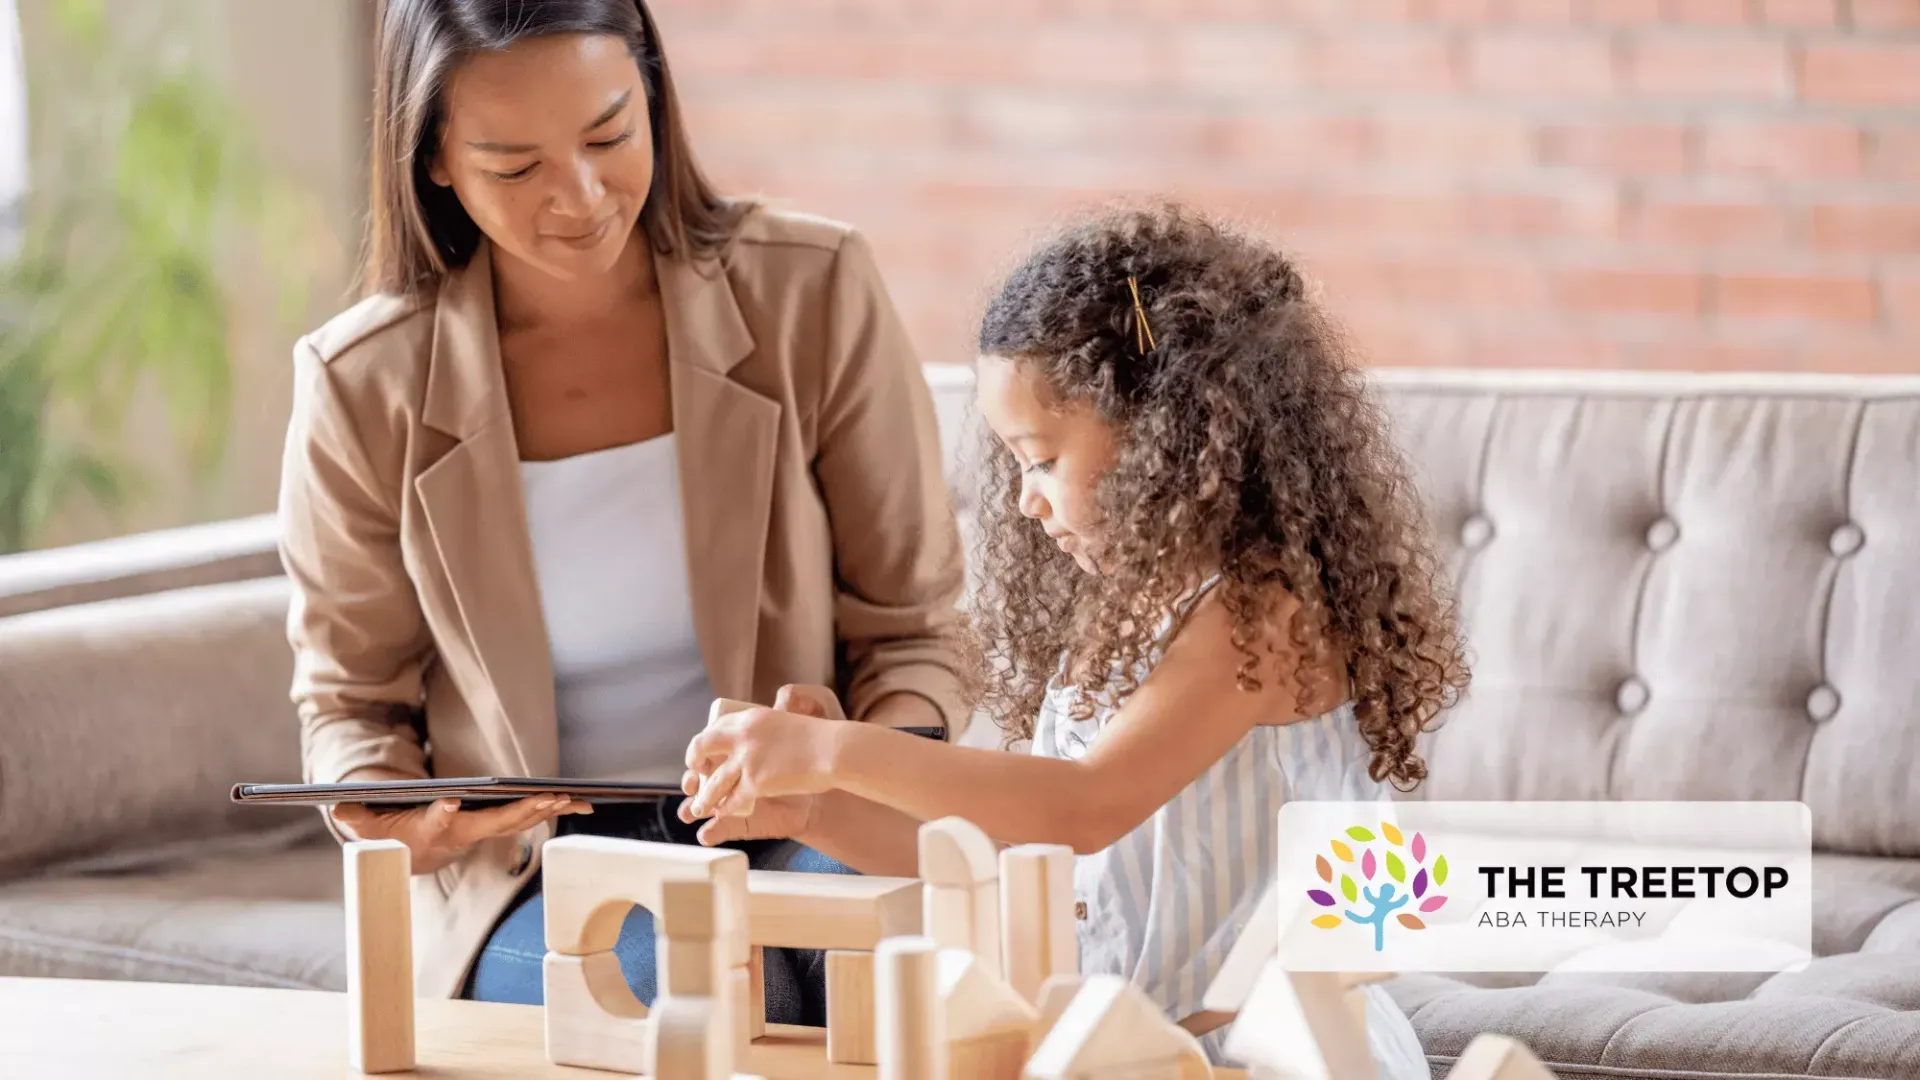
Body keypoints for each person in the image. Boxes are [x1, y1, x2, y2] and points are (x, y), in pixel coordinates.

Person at [276, 0, 967, 1019]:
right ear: (432, 160)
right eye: (516, 167)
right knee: (717, 992)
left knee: (892, 969)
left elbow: (915, 633)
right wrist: (390, 815)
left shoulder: (810, 291)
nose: (584, 196)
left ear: (652, 94)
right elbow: (351, 704)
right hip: (538, 868)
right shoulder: (361, 383)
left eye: (609, 134)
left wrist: (852, 754)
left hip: (806, 816)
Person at [673, 203, 1470, 1072]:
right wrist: (818, 809)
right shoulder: (1123, 617)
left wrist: (835, 749)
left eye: (1043, 458)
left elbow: (1085, 805)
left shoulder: (1265, 615)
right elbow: (1022, 857)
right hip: (1132, 1052)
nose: (1025, 498)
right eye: (1013, 462)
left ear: (1173, 432)